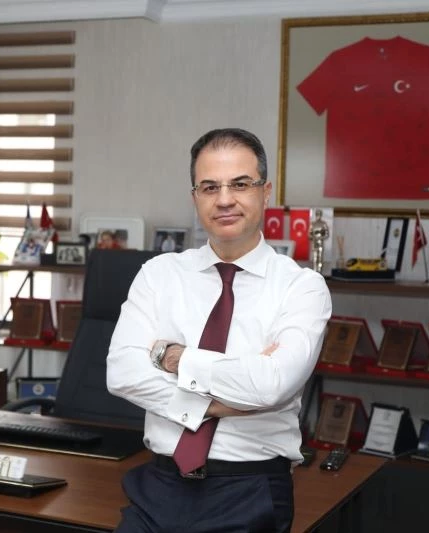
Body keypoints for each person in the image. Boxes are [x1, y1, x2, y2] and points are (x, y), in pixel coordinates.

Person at [107, 128, 332, 532]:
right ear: (195, 197)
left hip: (249, 490)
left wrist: (173, 357)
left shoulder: (301, 287)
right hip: (158, 485)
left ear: (265, 192)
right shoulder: (159, 274)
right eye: (210, 187)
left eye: (240, 184)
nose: (224, 199)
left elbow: (271, 385)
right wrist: (218, 401)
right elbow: (122, 373)